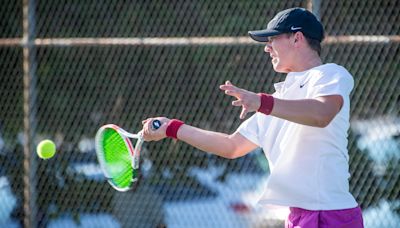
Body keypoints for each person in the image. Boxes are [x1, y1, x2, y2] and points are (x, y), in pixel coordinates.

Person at [142, 7, 363, 228]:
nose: (267, 48)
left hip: (332, 215)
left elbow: (321, 114)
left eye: (273, 39)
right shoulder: (278, 102)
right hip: (297, 218)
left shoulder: (330, 74)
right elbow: (231, 146)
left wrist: (262, 103)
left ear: (297, 38)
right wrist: (173, 128)